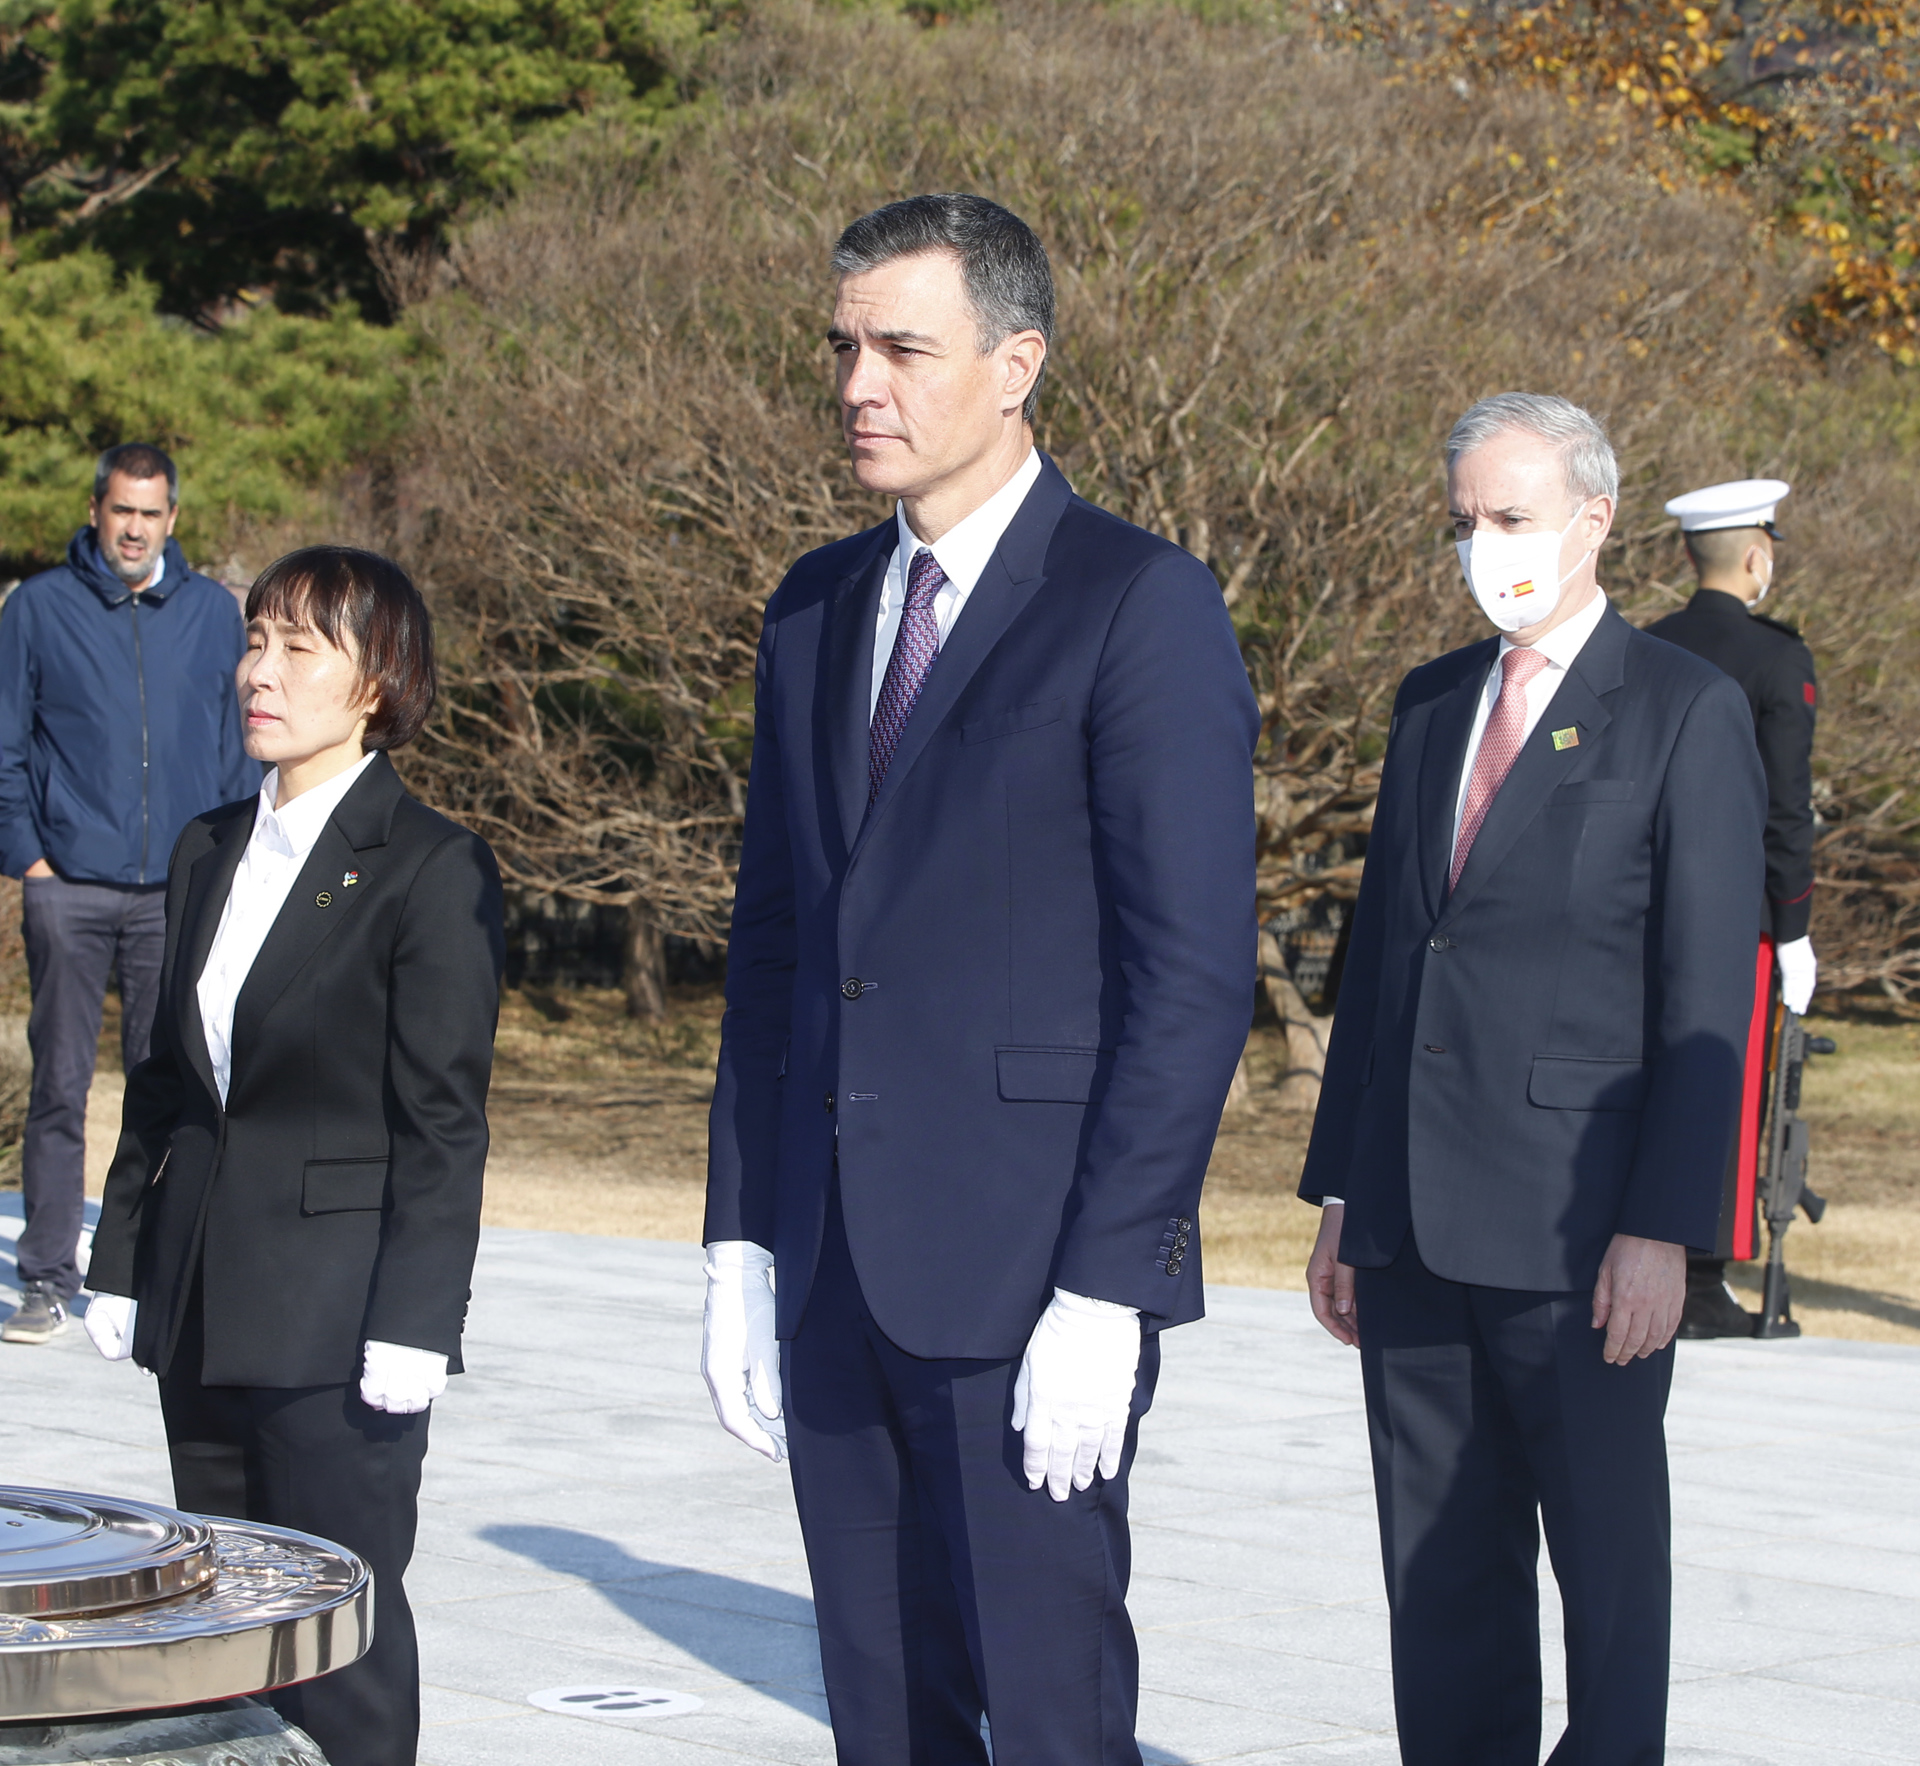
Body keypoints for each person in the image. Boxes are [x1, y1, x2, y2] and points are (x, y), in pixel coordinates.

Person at [702, 194, 1257, 1765]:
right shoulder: (813, 607)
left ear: (1017, 363)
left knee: (1055, 1716)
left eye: (903, 348)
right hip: (829, 1263)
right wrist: (739, 1236)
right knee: (881, 1715)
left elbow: (1193, 973)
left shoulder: (1136, 601)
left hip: (1031, 1275)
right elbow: (779, 946)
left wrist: (1110, 1280)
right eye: (844, 348)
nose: (859, 383)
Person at [1299, 394, 1765, 1766]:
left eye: (1510, 517)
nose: (1483, 546)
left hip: (1582, 1232)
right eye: (1463, 523)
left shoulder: (1687, 706)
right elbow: (1386, 958)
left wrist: (1667, 1229)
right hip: (1413, 1224)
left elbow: (1705, 999)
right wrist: (1342, 1191)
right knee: (1440, 1585)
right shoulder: (1432, 701)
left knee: (1609, 1582)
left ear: (1597, 518)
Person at [82, 547, 505, 1766]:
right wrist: (120, 1257)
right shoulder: (209, 845)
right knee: (223, 1629)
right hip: (203, 1306)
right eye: (255, 639)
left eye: (297, 648)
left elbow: (444, 1123)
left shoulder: (428, 864)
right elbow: (168, 1079)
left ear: (377, 680)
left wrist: (416, 1323)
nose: (259, 671)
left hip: (338, 1328)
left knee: (341, 1638)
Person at [0, 443, 257, 1345]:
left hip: (176, 894)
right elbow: (6, 741)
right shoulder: (37, 609)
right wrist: (28, 857)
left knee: (175, 1083)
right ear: (97, 511)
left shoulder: (213, 615)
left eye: (151, 513)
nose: (134, 528)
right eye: (121, 511)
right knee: (60, 1086)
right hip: (66, 887)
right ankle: (45, 1275)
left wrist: (224, 861)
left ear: (173, 519)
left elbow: (240, 743)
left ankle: (150, 1263)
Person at [1648, 479, 1817, 1338]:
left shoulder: (1646, 645)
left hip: (1640, 899)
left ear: (1688, 556)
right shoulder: (1777, 659)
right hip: (1739, 911)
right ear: (1758, 558)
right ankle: (1702, 1278)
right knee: (1729, 1080)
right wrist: (1793, 927)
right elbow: (1789, 806)